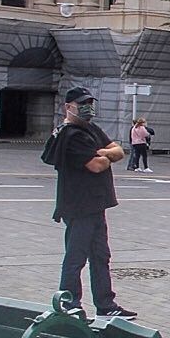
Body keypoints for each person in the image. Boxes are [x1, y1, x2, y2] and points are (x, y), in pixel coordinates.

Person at [44, 86, 134, 318]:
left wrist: (102, 153)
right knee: (76, 256)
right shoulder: (70, 134)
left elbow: (119, 150)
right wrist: (106, 155)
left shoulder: (90, 129)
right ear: (68, 107)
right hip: (78, 206)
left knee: (101, 256)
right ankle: (69, 302)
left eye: (89, 103)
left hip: (96, 206)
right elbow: (96, 165)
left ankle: (106, 305)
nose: (87, 108)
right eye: (81, 104)